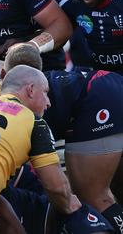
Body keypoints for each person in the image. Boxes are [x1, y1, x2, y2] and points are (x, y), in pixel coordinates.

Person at [0, 60, 112, 233]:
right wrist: (71, 205)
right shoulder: (34, 122)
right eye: (46, 93)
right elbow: (56, 188)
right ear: (31, 90)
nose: (48, 103)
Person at [42, 69, 123, 233]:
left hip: (96, 98)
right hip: (110, 80)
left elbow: (56, 188)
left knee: (94, 198)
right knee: (116, 188)